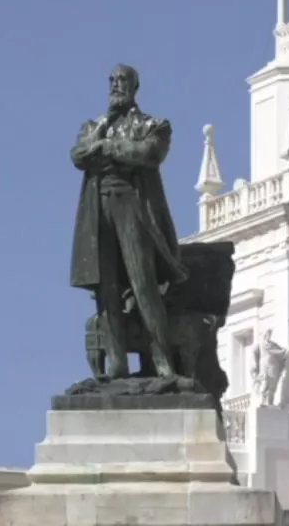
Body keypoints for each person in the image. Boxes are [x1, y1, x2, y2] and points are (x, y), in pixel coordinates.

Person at [69, 64, 188, 379]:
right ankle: (118, 363)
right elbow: (79, 155)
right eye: (112, 80)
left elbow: (148, 153)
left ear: (135, 86)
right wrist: (106, 146)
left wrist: (107, 148)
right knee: (106, 288)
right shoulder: (95, 125)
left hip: (133, 206)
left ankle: (163, 362)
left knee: (143, 283)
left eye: (122, 80)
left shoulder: (153, 124)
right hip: (98, 210)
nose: (116, 85)